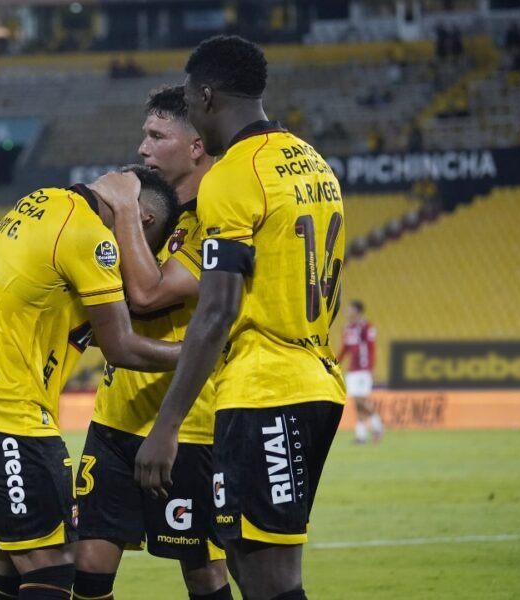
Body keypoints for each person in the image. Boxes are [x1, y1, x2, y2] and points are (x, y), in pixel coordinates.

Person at [135, 36, 346, 600]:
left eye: (188, 98)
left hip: (265, 391)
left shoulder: (232, 175)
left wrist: (167, 425)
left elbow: (218, 308)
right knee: (262, 575)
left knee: (267, 581)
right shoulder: (313, 162)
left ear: (205, 96)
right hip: (316, 377)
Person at [0, 166, 181, 600]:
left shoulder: (41, 201)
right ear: (140, 221)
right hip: (11, 417)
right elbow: (122, 347)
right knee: (51, 569)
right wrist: (199, 355)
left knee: (0, 569)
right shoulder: (91, 236)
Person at [72, 86, 230, 600]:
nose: (142, 148)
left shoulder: (219, 216)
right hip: (115, 416)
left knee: (202, 573)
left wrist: (121, 210)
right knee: (88, 564)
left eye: (156, 135)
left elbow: (146, 294)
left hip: (190, 424)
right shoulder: (153, 210)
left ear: (195, 147)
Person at [337, 301, 382, 444]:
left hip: (363, 369)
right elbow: (345, 349)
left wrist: (371, 367)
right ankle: (361, 435)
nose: (346, 311)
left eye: (349, 309)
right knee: (357, 403)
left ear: (357, 311)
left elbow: (371, 348)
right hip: (352, 370)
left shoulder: (366, 327)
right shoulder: (347, 329)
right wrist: (335, 363)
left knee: (360, 400)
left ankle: (378, 425)